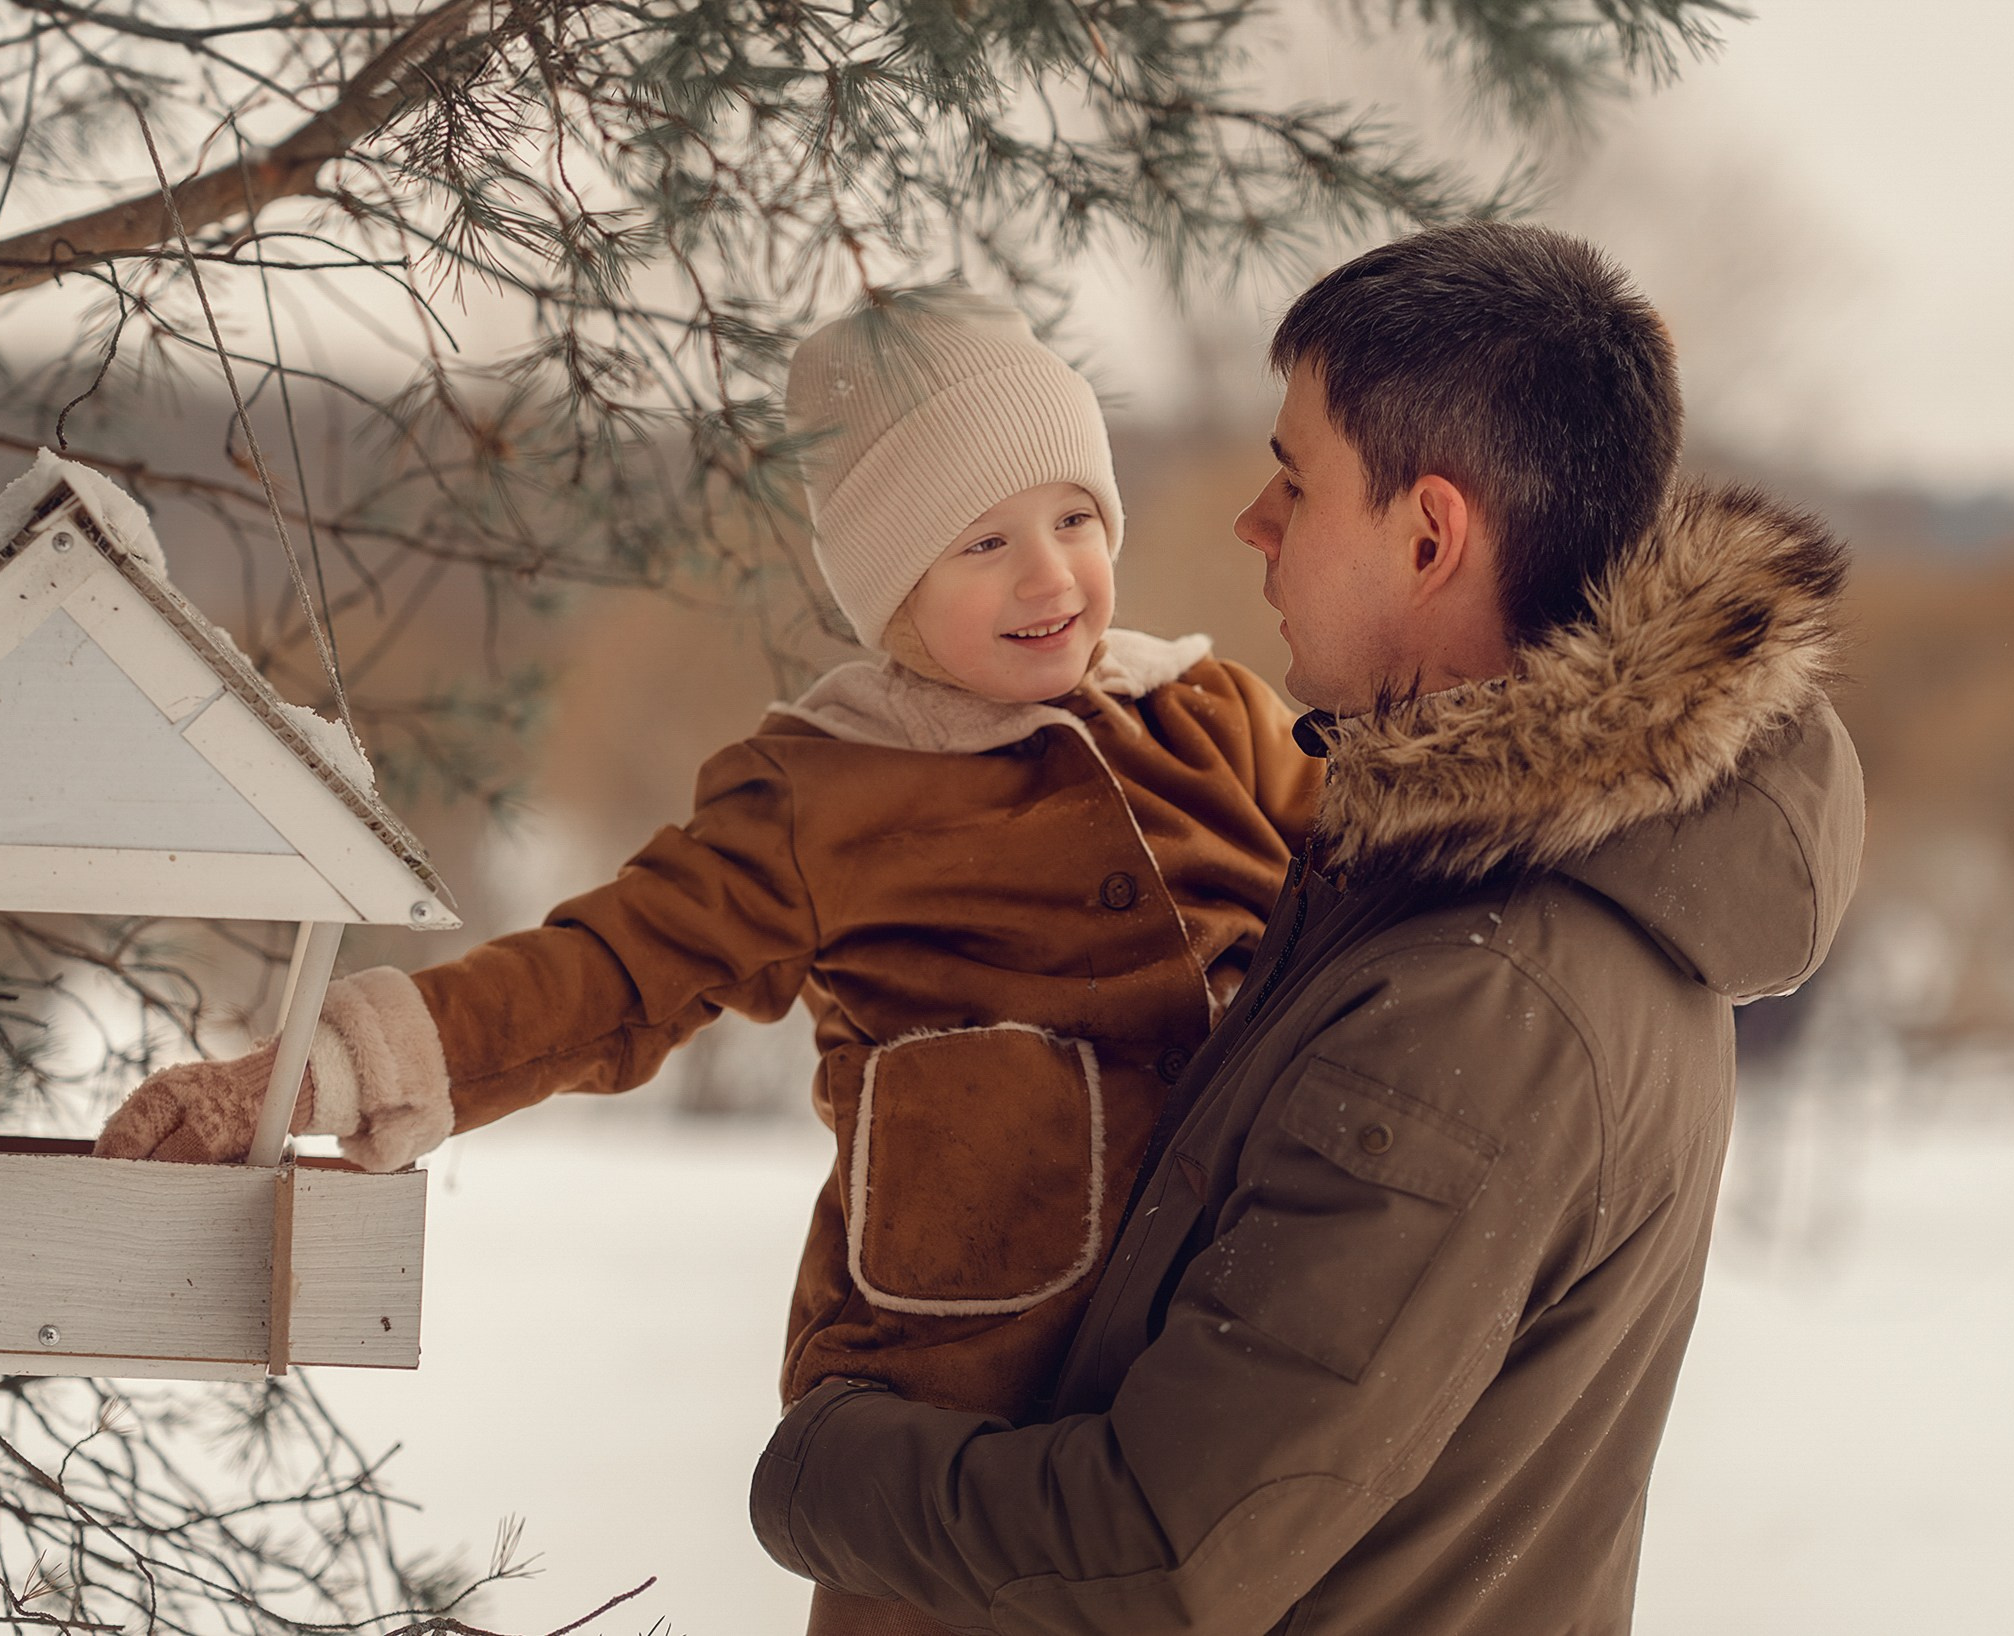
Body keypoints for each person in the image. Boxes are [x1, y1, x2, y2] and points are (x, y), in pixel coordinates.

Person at [93, 290, 1326, 1635]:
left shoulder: (1216, 721)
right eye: (984, 541)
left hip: (1218, 1396)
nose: (1051, 578)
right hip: (956, 1435)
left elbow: (1405, 873)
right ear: (891, 583)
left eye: (1075, 519)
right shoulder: (822, 789)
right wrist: (322, 1070)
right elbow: (608, 971)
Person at [748, 223, 1867, 1634]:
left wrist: (823, 1468)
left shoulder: (1482, 1001)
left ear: (1430, 535)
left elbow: (1162, 1552)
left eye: (1296, 479)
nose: (1254, 523)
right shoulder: (1482, 881)